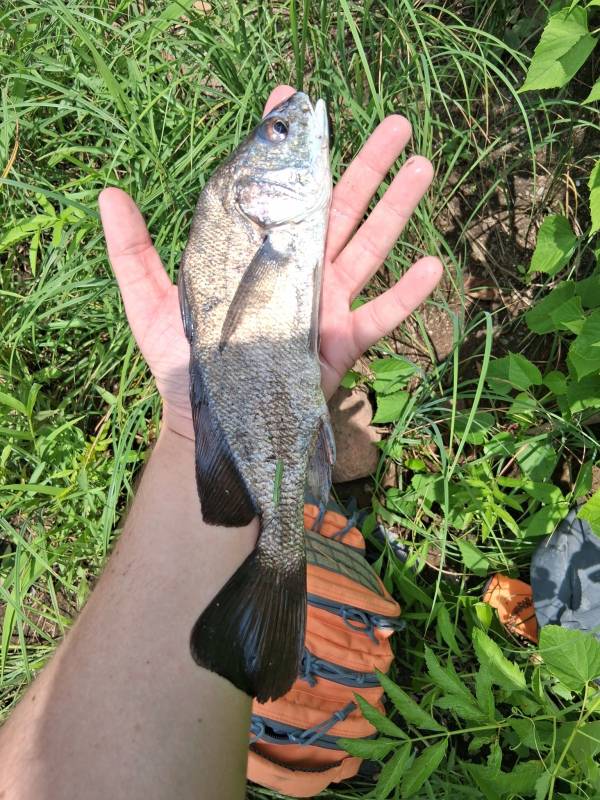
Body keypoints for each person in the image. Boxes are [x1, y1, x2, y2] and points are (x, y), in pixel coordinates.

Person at [0, 85, 442, 800]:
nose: (294, 127)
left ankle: (279, 562)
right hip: (261, 389)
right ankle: (279, 560)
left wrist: (191, 432)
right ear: (252, 195)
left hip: (265, 378)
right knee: (283, 528)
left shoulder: (273, 225)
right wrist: (195, 423)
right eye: (277, 135)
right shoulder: (254, 220)